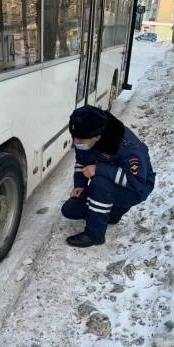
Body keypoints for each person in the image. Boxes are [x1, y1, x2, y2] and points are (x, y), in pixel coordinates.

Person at [61, 105, 155, 247]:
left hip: (135, 189)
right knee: (70, 210)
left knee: (100, 184)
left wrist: (99, 169)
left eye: (80, 140)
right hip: (114, 181)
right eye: (75, 138)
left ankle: (94, 235)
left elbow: (135, 182)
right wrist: (79, 184)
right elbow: (81, 161)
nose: (76, 142)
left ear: (98, 137)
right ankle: (112, 213)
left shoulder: (127, 147)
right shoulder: (85, 133)